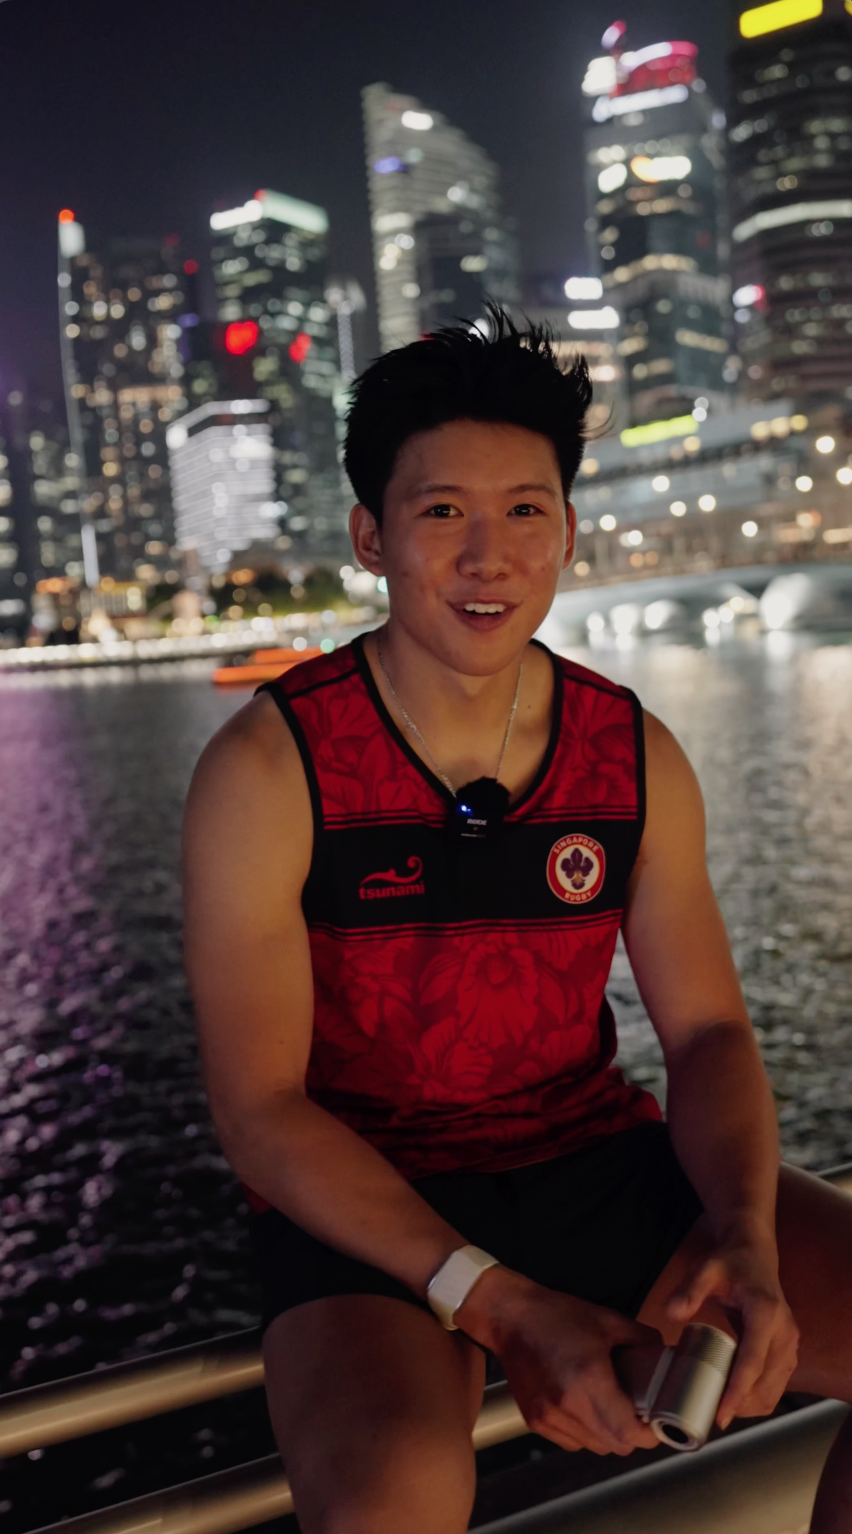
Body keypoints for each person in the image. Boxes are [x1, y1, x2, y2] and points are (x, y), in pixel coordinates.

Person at [182, 309, 852, 1534]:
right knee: (396, 1494)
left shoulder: (632, 751)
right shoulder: (271, 767)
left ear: (568, 532)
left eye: (526, 510)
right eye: (443, 513)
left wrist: (744, 1232)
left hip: (588, 1151)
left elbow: (705, 1033)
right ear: (370, 538)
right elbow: (261, 1112)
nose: (489, 554)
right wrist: (497, 1304)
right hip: (365, 1188)